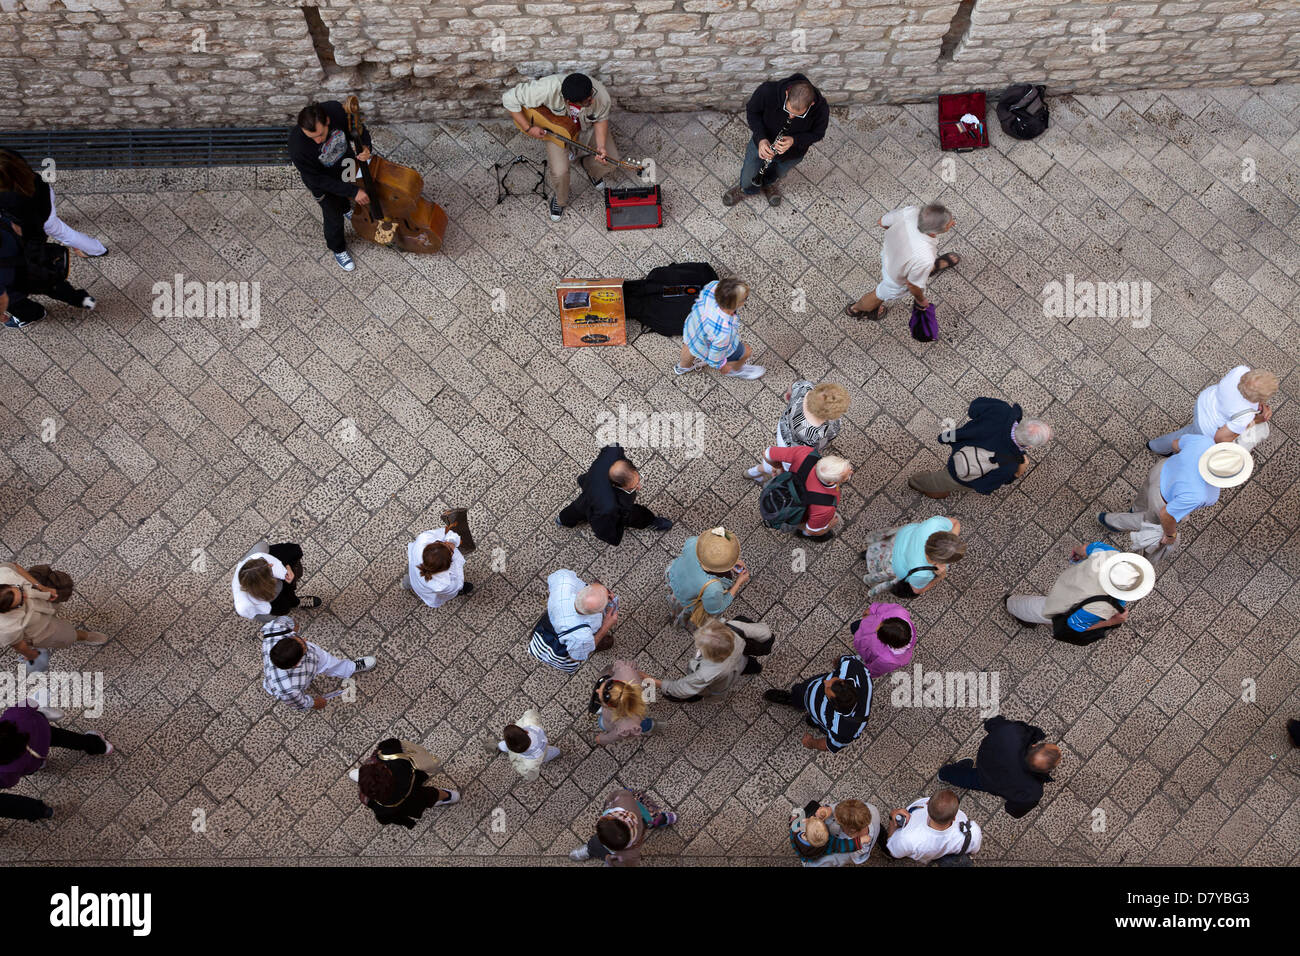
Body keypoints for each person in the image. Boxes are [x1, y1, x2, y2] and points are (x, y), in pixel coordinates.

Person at [1098, 437, 1251, 564]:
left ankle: (1136, 508)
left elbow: (1175, 444)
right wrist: (1170, 535)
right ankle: (1111, 521)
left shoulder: (1205, 442)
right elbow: (1167, 514)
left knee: (1144, 495)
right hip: (1162, 500)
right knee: (1148, 520)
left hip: (1161, 470)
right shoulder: (1207, 495)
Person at [502, 71, 624, 221]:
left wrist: (601, 146)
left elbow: (600, 120)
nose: (592, 101)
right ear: (568, 101)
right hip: (556, 132)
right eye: (586, 101)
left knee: (611, 161)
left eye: (590, 96)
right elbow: (508, 98)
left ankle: (589, 167)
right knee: (560, 173)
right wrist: (528, 128)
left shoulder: (601, 97)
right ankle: (560, 201)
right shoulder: (547, 88)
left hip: (586, 129)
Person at [1006, 544, 1155, 644]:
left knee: (1036, 604)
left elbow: (1083, 549)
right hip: (1060, 605)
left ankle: (1013, 603)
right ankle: (1011, 605)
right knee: (1037, 609)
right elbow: (1074, 626)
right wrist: (1112, 622)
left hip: (1069, 582)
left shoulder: (1108, 553)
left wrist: (1076, 554)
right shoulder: (1103, 608)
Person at [289, 100, 372, 271]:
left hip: (346, 164)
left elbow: (357, 127)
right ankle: (338, 248)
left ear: (327, 121)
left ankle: (345, 208)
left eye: (320, 135)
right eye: (312, 137)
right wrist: (354, 191)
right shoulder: (297, 147)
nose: (318, 141)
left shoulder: (335, 110)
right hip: (323, 183)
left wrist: (365, 146)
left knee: (346, 194)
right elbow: (317, 180)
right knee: (333, 218)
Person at [909, 399, 1052, 499]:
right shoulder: (1011, 463)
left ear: (1026, 422)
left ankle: (925, 482)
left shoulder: (1002, 411)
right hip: (963, 469)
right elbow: (986, 486)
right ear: (1031, 446)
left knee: (949, 465)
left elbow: (975, 407)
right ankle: (919, 484)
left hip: (959, 441)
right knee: (943, 480)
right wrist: (1017, 474)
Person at [723, 74, 829, 208]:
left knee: (777, 173)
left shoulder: (821, 109)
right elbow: (752, 112)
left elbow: (818, 134)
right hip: (760, 145)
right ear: (786, 93)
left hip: (792, 153)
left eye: (798, 115)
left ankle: (767, 184)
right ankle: (746, 189)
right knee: (748, 176)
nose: (791, 116)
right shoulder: (768, 91)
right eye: (788, 110)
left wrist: (794, 140)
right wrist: (761, 138)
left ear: (811, 104)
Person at [844, 203, 958, 322]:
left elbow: (881, 222)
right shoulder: (926, 256)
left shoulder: (911, 211)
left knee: (919, 268)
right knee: (879, 294)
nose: (953, 223)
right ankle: (855, 309)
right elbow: (912, 285)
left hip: (889, 254)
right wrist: (921, 300)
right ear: (938, 230)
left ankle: (928, 269)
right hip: (895, 278)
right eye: (950, 225)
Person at [0, 704, 112, 820]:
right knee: (66, 738)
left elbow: (11, 781)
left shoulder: (4, 772)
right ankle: (100, 746)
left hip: (32, 763)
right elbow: (31, 702)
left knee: (30, 767)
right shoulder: (13, 715)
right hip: (42, 733)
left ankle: (45, 810)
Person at [938, 715, 1060, 818]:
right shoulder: (1032, 792)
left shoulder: (1013, 733)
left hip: (986, 759)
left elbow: (992, 723)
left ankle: (944, 773)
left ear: (1034, 746)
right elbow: (1014, 811)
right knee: (973, 780)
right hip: (991, 782)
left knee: (969, 776)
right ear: (1047, 770)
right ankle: (946, 774)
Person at [0, 147, 107, 257]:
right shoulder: (8, 156)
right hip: (44, 192)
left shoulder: (11, 199)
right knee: (59, 226)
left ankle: (97, 250)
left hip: (41, 215)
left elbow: (34, 230)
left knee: (65, 234)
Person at [556, 444, 672, 543]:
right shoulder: (609, 506)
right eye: (633, 487)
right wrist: (614, 536)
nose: (639, 487)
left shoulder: (614, 450)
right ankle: (649, 521)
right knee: (632, 515)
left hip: (590, 484)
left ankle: (562, 519)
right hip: (600, 502)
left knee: (577, 507)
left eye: (638, 480)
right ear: (615, 485)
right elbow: (603, 527)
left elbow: (610, 447)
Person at [639, 617, 774, 702]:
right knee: (749, 665)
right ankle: (755, 668)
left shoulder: (706, 673)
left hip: (720, 682)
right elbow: (766, 633)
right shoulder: (734, 627)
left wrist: (646, 678)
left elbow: (679, 689)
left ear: (709, 653)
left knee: (681, 696)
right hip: (740, 660)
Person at [1148, 367, 1277, 455]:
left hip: (1205, 401)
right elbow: (1220, 438)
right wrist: (1254, 420)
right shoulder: (1245, 416)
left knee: (1187, 432)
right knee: (1185, 436)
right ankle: (1157, 447)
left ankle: (1156, 445)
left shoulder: (1241, 370)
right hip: (1206, 426)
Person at [0, 561, 107, 667]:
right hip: (39, 629)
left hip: (41, 600)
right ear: (7, 611)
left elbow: (13, 566)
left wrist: (41, 587)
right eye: (20, 602)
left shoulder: (3, 573)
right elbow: (19, 645)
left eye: (19, 589)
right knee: (67, 635)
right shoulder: (6, 629)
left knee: (56, 606)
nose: (25, 595)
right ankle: (83, 636)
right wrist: (30, 654)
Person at [260, 616, 376, 710]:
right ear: (296, 664)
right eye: (304, 648)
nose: (304, 640)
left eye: (297, 639)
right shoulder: (289, 690)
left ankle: (351, 667)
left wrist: (293, 624)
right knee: (299, 689)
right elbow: (301, 703)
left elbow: (284, 621)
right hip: (301, 676)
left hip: (314, 658)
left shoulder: (273, 632)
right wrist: (315, 703)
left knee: (331, 663)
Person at [764, 654, 871, 754]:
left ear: (834, 706)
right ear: (844, 682)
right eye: (834, 679)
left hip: (824, 719)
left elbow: (828, 745)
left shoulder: (844, 731)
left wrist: (810, 743)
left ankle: (813, 720)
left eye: (827, 689)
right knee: (800, 693)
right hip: (808, 691)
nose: (825, 682)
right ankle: (793, 700)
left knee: (818, 723)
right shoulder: (854, 668)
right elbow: (841, 661)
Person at [747, 380, 850, 482]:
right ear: (829, 415)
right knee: (784, 465)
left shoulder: (804, 387)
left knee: (777, 455)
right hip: (794, 449)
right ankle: (754, 472)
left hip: (784, 429)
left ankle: (754, 472)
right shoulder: (819, 433)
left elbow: (790, 391)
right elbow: (817, 448)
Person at [351, 737, 458, 827]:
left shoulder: (379, 806)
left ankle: (446, 798)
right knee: (433, 794)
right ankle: (449, 796)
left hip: (407, 803)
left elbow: (385, 819)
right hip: (412, 784)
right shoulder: (395, 759)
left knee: (427, 798)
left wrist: (407, 822)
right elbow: (391, 743)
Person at [674, 277, 765, 380]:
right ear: (736, 304)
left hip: (693, 328)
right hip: (709, 343)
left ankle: (682, 367)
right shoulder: (724, 331)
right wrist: (722, 366)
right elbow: (715, 356)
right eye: (745, 298)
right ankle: (735, 370)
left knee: (691, 346)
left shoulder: (713, 286)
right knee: (746, 351)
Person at [528, 570, 618, 673]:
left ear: (580, 592)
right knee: (592, 643)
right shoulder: (583, 635)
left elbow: (553, 578)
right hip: (560, 649)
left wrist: (596, 589)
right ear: (599, 611)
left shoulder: (564, 580)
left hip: (546, 627)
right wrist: (605, 627)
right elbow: (577, 657)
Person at [859, 516, 965, 598]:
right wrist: (940, 577)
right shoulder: (923, 573)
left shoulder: (934, 524)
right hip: (894, 563)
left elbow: (955, 523)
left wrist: (949, 544)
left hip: (899, 538)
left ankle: (869, 553)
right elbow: (917, 590)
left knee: (881, 550)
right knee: (883, 564)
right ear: (939, 561)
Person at [759, 445, 852, 539]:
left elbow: (766, 454)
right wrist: (829, 526)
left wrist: (779, 467)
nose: (851, 473)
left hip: (773, 492)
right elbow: (810, 530)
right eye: (847, 476)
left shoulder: (806, 454)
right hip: (790, 517)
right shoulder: (826, 505)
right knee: (798, 526)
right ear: (831, 482)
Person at [568, 787, 677, 866]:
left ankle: (591, 849)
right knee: (653, 818)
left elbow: (628, 864)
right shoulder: (622, 798)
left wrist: (608, 859)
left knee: (596, 843)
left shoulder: (628, 854)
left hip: (639, 817)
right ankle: (664, 819)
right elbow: (618, 794)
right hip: (638, 811)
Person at [666, 527, 751, 628]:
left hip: (675, 575)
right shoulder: (713, 588)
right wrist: (738, 583)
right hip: (687, 598)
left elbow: (705, 557)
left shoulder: (694, 542)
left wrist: (729, 563)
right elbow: (716, 609)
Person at [881, 790, 982, 863]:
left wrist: (892, 818)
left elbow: (893, 851)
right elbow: (974, 849)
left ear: (927, 803)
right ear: (954, 817)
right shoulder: (972, 830)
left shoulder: (907, 838)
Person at [232, 540, 321, 622]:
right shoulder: (245, 605)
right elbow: (263, 615)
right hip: (274, 601)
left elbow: (292, 549)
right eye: (269, 570)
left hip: (277, 589)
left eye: (266, 563)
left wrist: (287, 568)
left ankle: (296, 601)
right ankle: (295, 603)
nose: (271, 564)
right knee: (285, 606)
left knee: (289, 594)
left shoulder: (260, 552)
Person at [590, 661, 658, 745]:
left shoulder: (625, 726)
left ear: (613, 707)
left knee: (602, 723)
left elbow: (613, 736)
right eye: (608, 684)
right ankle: (651, 725)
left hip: (615, 721)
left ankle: (650, 726)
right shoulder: (626, 671)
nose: (597, 690)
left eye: (603, 698)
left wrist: (601, 739)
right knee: (641, 721)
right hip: (636, 713)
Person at [797, 799, 880, 867]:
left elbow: (819, 863)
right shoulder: (872, 809)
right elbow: (845, 810)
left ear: (851, 830)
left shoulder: (847, 851)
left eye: (837, 821)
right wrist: (829, 809)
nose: (833, 816)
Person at [404, 527, 471, 607]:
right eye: (451, 550)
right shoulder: (444, 584)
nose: (447, 543)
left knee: (414, 578)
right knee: (453, 591)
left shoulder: (423, 540)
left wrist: (451, 543)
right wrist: (454, 541)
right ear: (447, 566)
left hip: (415, 572)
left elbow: (443, 531)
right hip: (432, 591)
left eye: (441, 542)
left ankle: (407, 583)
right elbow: (458, 584)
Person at [851, 602, 916, 678]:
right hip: (865, 627)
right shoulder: (899, 612)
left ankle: (861, 658)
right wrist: (871, 610)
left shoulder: (888, 662)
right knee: (853, 626)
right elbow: (883, 607)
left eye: (878, 631)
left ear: (887, 641)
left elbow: (871, 671)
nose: (877, 626)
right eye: (883, 621)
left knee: (854, 628)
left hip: (865, 644)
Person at [497, 709, 560, 782]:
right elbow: (531, 713)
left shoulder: (528, 763)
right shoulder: (529, 721)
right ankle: (558, 753)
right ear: (526, 732)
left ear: (512, 750)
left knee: (504, 745)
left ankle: (499, 746)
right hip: (542, 751)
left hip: (520, 753)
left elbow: (528, 772)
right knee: (551, 752)